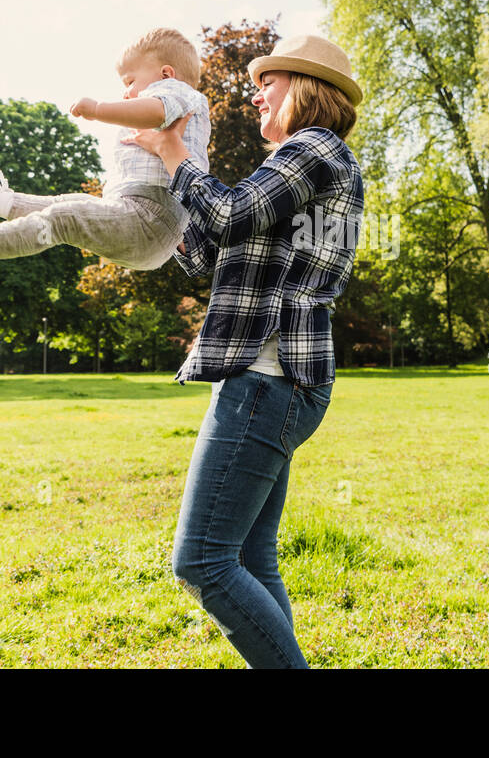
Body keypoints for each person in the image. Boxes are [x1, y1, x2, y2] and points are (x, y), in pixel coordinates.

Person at [124, 34, 365, 668]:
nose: (256, 94)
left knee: (201, 558)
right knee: (250, 558)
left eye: (270, 83)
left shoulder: (315, 151)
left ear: (307, 90)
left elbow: (230, 216)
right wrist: (159, 194)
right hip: (271, 379)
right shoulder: (301, 161)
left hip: (269, 378)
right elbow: (213, 250)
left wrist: (176, 150)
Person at [0, 27, 211, 273]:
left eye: (130, 81)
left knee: (65, 218)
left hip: (151, 219)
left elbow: (157, 110)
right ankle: (4, 204)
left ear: (166, 73)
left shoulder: (179, 92)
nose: (125, 92)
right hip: (139, 216)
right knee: (67, 202)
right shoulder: (171, 94)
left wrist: (98, 109)